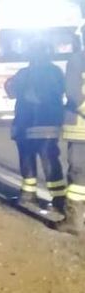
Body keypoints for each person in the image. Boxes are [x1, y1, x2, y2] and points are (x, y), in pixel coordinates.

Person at [4, 40, 66, 213]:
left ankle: (28, 195)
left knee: (27, 159)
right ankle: (59, 200)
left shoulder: (23, 73)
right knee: (50, 161)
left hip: (26, 124)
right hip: (49, 124)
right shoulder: (56, 72)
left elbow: (12, 92)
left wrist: (9, 85)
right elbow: (61, 91)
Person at [62, 33, 85, 233]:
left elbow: (73, 93)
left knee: (78, 173)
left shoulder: (77, 59)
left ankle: (73, 221)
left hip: (80, 127)